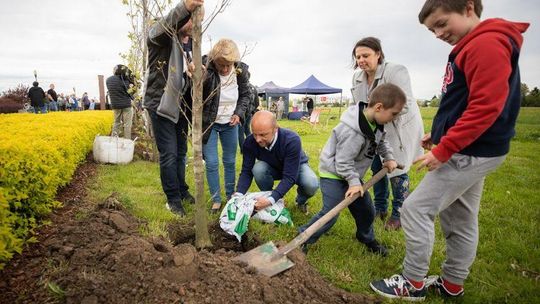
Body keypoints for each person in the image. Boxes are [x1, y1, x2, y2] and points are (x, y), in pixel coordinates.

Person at [370, 0, 528, 301]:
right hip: (474, 147)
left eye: (442, 24)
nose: (438, 33)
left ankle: (412, 282)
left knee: (416, 209)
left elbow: (485, 108)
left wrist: (446, 149)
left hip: (471, 151)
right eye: (432, 30)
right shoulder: (474, 44)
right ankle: (452, 284)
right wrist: (441, 133)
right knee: (461, 216)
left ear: (469, 7)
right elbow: (465, 101)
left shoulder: (487, 44)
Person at [298, 84, 405, 256]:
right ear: (379, 107)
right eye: (393, 114)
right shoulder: (352, 131)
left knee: (367, 211)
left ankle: (366, 238)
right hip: (333, 173)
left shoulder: (375, 123)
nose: (393, 118)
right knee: (331, 213)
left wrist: (389, 157)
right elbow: (343, 161)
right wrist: (354, 182)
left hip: (351, 176)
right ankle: (302, 238)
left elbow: (381, 141)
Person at [351, 37, 424, 230]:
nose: (361, 60)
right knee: (377, 167)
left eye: (366, 55)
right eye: (358, 57)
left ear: (378, 54)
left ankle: (399, 213)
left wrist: (379, 117)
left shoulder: (395, 71)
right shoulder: (357, 78)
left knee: (396, 169)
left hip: (397, 127)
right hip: (374, 130)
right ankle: (379, 208)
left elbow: (405, 103)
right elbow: (357, 105)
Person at [142, 0, 203, 216]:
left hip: (180, 107)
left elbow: (185, 77)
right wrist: (184, 7)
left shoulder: (189, 45)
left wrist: (195, 72)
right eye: (193, 18)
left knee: (180, 152)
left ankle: (181, 190)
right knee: (169, 154)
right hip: (161, 104)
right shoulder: (163, 39)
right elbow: (158, 30)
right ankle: (172, 200)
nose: (195, 24)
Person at [235, 110, 319, 214]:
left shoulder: (291, 140)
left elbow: (290, 177)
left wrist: (273, 198)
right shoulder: (249, 142)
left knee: (311, 183)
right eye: (255, 134)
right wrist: (239, 194)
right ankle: (268, 198)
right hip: (272, 167)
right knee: (258, 169)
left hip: (296, 167)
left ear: (275, 129)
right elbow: (246, 171)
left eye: (263, 134)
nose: (258, 140)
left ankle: (300, 202)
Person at [201, 38, 250, 213]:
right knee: (212, 162)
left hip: (231, 122)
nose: (224, 69)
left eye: (228, 65)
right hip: (210, 123)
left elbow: (245, 95)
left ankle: (230, 196)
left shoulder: (241, 71)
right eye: (220, 65)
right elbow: (197, 93)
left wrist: (238, 114)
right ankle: (216, 199)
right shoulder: (205, 67)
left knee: (230, 161)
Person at [107, 64, 135, 139]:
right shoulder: (125, 80)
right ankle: (127, 141)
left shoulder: (108, 80)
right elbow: (131, 92)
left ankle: (114, 139)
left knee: (116, 122)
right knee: (127, 124)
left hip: (115, 105)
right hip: (126, 105)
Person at [238, 82, 259, 153]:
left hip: (241, 112)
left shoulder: (241, 85)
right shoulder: (253, 88)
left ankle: (243, 150)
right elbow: (257, 102)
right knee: (247, 130)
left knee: (240, 131)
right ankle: (251, 147)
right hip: (249, 112)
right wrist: (252, 109)